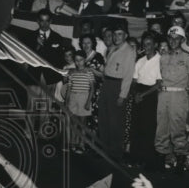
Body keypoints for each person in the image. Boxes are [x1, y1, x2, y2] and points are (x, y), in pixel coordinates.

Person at [155, 25, 189, 171]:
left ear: (182, 40)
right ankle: (161, 157)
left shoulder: (188, 57)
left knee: (178, 128)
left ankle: (180, 159)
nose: (173, 41)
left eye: (177, 38)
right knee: (161, 127)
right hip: (163, 95)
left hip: (179, 96)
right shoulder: (163, 57)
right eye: (171, 38)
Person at [97, 21, 136, 161]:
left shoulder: (129, 51)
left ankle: (115, 152)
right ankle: (104, 149)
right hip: (107, 84)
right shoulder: (113, 48)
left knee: (116, 121)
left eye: (120, 34)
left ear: (126, 35)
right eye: (114, 34)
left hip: (117, 86)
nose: (116, 37)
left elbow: (128, 76)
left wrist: (122, 95)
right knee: (104, 118)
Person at [129, 33, 162, 168]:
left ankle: (146, 159)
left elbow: (159, 84)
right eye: (144, 44)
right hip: (138, 94)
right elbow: (134, 81)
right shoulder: (140, 61)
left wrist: (143, 95)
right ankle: (134, 157)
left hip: (151, 95)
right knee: (136, 126)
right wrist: (136, 94)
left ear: (155, 45)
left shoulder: (160, 60)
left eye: (149, 44)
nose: (146, 47)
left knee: (148, 128)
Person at [64, 51, 95, 154]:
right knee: (73, 122)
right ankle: (73, 143)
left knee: (82, 123)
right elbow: (69, 88)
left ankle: (81, 144)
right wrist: (67, 101)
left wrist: (88, 102)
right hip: (73, 97)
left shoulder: (88, 72)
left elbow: (92, 88)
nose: (78, 62)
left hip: (84, 97)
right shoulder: (72, 73)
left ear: (85, 60)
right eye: (76, 60)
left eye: (81, 60)